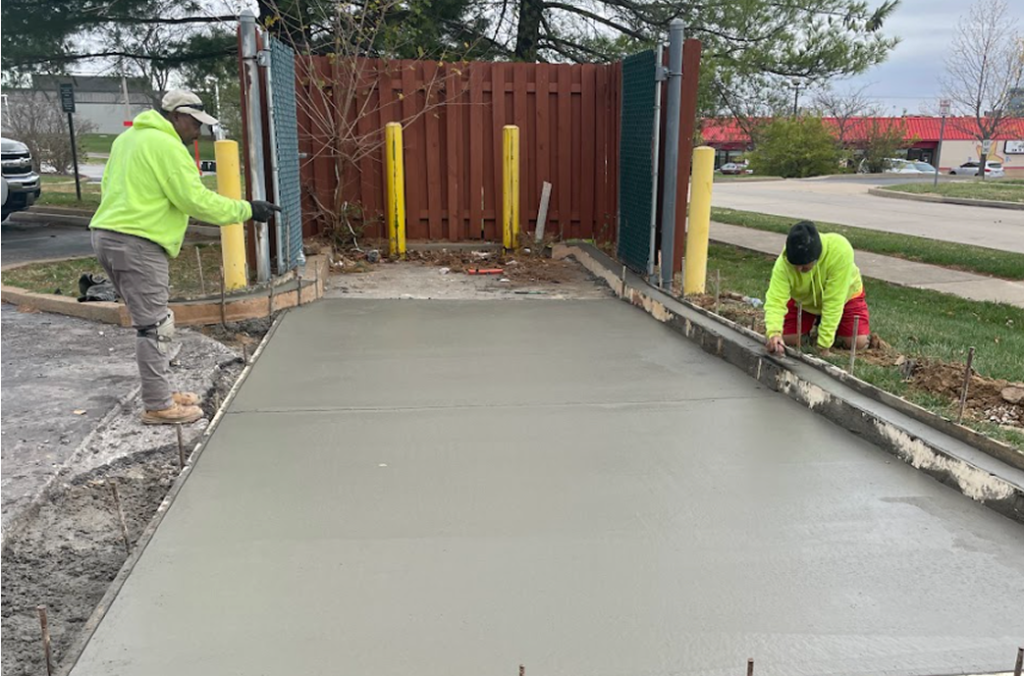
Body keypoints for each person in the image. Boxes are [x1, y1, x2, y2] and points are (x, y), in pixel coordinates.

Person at [90, 90, 280, 425]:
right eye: (194, 122)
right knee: (155, 327)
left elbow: (110, 186)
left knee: (153, 322)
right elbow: (196, 201)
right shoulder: (168, 148)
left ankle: (160, 392)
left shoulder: (128, 139)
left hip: (107, 235)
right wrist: (248, 209)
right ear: (176, 116)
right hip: (138, 242)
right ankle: (158, 405)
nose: (199, 130)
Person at [763, 221, 870, 357]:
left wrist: (824, 345)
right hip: (805, 301)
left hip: (846, 297)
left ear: (815, 258)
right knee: (788, 339)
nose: (798, 269)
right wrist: (774, 333)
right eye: (795, 265)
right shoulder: (783, 263)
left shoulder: (840, 251)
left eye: (803, 266)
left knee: (857, 343)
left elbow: (833, 302)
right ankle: (812, 326)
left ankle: (833, 331)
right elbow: (775, 300)